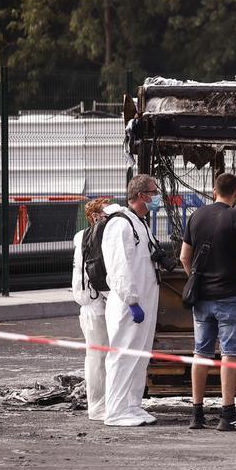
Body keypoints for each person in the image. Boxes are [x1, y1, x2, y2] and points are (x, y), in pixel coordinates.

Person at [179, 172, 236, 431]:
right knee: (229, 354)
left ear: (214, 191)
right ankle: (227, 414)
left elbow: (183, 257)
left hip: (202, 298)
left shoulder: (196, 216)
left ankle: (196, 414)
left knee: (200, 352)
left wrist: (196, 280)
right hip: (231, 295)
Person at [101, 175, 162, 427]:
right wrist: (131, 299)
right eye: (153, 192)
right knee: (123, 355)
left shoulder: (140, 223)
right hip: (129, 304)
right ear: (141, 195)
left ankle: (132, 405)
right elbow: (118, 266)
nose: (157, 196)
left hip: (145, 300)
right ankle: (115, 410)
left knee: (139, 356)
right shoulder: (121, 224)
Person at [70, 197, 113, 421]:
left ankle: (103, 403)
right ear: (95, 217)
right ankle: (98, 406)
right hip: (94, 303)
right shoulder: (89, 238)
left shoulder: (85, 237)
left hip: (94, 302)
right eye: (105, 216)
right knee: (97, 358)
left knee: (101, 357)